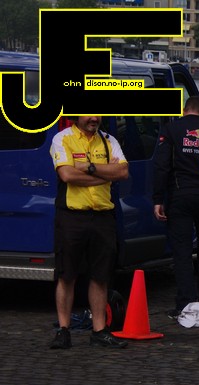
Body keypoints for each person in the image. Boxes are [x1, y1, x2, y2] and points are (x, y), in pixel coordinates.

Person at [49, 116, 130, 350]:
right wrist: (104, 175)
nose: (94, 118)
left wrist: (89, 167)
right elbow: (67, 175)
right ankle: (64, 330)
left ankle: (99, 331)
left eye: (98, 113)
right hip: (71, 216)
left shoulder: (109, 140)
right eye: (88, 113)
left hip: (102, 216)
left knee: (100, 276)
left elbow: (123, 172)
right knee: (67, 275)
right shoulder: (62, 139)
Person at [152, 96, 199, 319]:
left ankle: (186, 303)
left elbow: (161, 166)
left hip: (181, 195)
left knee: (182, 251)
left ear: (184, 110)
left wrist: (158, 198)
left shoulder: (171, 129)